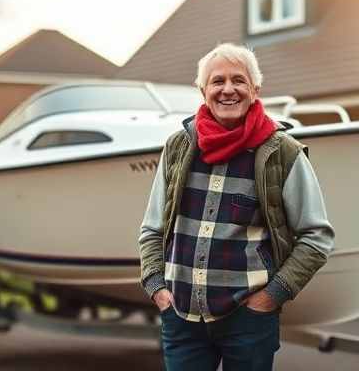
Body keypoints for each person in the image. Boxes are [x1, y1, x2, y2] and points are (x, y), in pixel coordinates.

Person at [138, 43, 334, 371]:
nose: (228, 89)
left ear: (255, 90)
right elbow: (152, 228)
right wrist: (157, 287)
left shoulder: (283, 152)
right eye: (217, 81)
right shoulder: (177, 147)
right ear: (203, 91)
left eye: (238, 81)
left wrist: (270, 297)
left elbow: (317, 238)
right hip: (182, 317)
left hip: (249, 321)